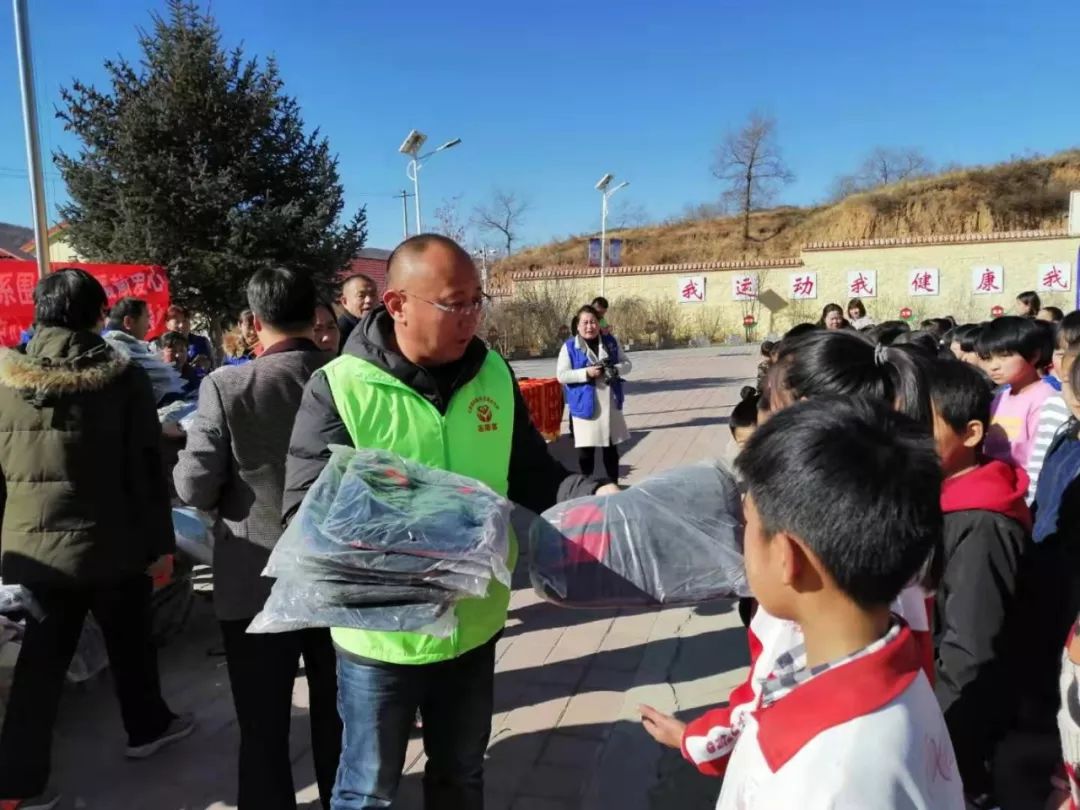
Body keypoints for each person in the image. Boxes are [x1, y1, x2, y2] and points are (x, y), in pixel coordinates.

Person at [282, 234, 619, 810]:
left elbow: (534, 473)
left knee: (461, 776)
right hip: (381, 638)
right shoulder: (339, 386)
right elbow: (306, 508)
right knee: (368, 791)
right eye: (452, 303)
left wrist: (599, 495)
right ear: (397, 305)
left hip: (474, 622)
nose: (469, 317)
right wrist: (435, 521)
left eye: (476, 301)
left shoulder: (492, 374)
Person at [641, 330, 938, 783]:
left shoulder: (808, 760)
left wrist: (693, 740)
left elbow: (761, 704)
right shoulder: (891, 507)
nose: (760, 416)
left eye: (768, 402)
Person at [0, 269, 194, 810]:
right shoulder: (122, 376)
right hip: (113, 543)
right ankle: (148, 729)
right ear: (93, 315)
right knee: (130, 643)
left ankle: (15, 785)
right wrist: (161, 546)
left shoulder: (3, 378)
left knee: (41, 664)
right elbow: (145, 470)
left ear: (39, 312)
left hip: (34, 549)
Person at [174, 267, 339, 810]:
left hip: (254, 577)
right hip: (338, 571)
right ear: (313, 315)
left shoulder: (227, 386)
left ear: (253, 321)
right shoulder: (347, 378)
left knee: (262, 723)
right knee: (339, 712)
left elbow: (195, 486)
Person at [925, 358, 1032, 806]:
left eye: (920, 429)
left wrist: (937, 745)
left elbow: (968, 653)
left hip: (960, 737)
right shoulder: (941, 497)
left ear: (970, 435)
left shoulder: (983, 523)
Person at [978, 316, 1063, 499]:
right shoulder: (1000, 397)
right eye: (987, 358)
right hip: (996, 492)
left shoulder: (1046, 399)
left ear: (1034, 355)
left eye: (1004, 356)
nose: (994, 366)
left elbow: (1040, 464)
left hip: (1023, 498)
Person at [557, 304, 633, 482]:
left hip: (609, 403)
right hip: (585, 404)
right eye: (585, 322)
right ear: (578, 325)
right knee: (586, 452)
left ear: (598, 324)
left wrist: (615, 369)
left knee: (611, 450)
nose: (589, 326)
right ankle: (587, 487)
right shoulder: (569, 347)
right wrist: (586, 373)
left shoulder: (610, 342)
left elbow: (627, 364)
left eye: (592, 322)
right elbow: (562, 375)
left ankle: (614, 483)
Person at [104, 297, 188, 406]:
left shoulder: (130, 352)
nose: (149, 326)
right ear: (128, 322)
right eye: (147, 318)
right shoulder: (121, 358)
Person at [337, 273, 379, 352]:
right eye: (361, 296)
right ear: (345, 301)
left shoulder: (378, 327)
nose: (369, 300)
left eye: (373, 295)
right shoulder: (340, 332)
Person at [165, 304, 214, 370]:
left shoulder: (201, 342)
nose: (181, 325)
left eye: (185, 321)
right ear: (167, 324)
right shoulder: (161, 344)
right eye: (177, 322)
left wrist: (206, 364)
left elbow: (211, 366)